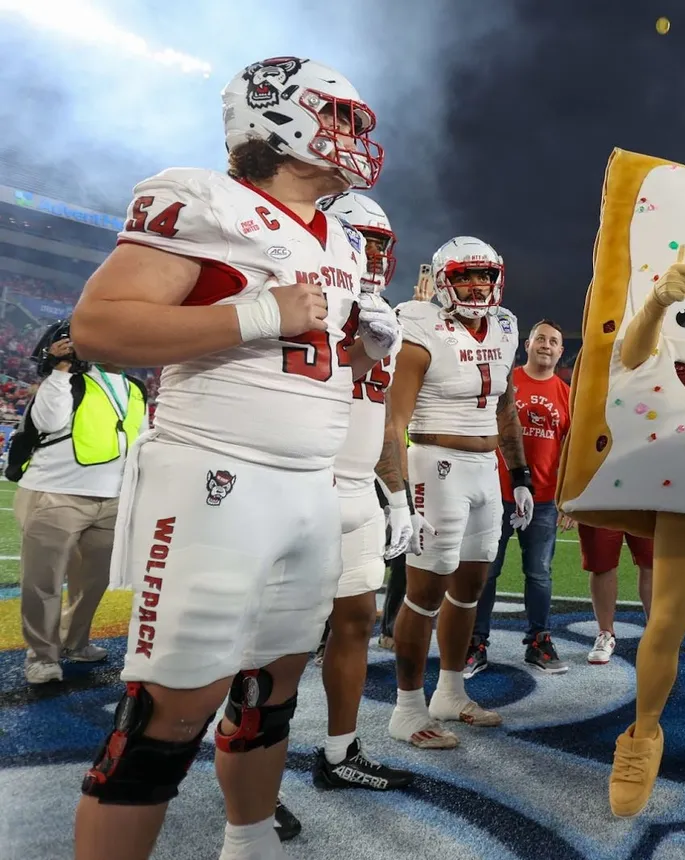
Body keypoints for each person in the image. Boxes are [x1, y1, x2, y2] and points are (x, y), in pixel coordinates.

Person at [69, 56, 398, 860]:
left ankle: (248, 843)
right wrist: (253, 313)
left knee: (270, 694)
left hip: (309, 490)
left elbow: (298, 360)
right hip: (216, 478)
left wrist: (359, 355)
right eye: (343, 118)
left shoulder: (344, 242)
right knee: (167, 715)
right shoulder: (204, 199)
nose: (356, 137)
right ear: (278, 116)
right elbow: (100, 327)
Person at [385, 236, 530, 750]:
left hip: (485, 469)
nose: (477, 285)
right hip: (435, 465)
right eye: (467, 275)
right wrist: (398, 495)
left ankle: (450, 692)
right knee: (423, 593)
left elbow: (505, 404)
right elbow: (395, 418)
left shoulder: (508, 324)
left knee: (471, 586)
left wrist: (521, 473)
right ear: (445, 279)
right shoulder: (420, 323)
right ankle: (406, 709)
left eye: (485, 276)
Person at [308, 190, 418, 791]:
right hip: (301, 481)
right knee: (271, 641)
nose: (370, 254)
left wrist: (396, 497)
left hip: (358, 488)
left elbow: (381, 422)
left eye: (378, 244)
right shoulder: (305, 295)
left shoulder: (386, 313)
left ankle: (338, 750)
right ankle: (250, 778)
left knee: (357, 619)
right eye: (358, 241)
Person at [13, 321, 148, 684]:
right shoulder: (70, 379)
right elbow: (47, 421)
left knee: (93, 582)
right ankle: (41, 656)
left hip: (112, 498)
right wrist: (60, 370)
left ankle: (75, 642)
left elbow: (139, 441)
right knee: (44, 581)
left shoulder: (135, 389)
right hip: (56, 493)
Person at [467, 319, 571, 677]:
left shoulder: (566, 395)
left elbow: (570, 452)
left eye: (553, 341)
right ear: (527, 344)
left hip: (543, 499)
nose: (546, 345)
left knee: (539, 573)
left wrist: (568, 497)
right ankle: (475, 643)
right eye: (540, 338)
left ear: (560, 351)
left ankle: (539, 642)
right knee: (486, 571)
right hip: (496, 493)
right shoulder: (503, 381)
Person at [576, 524, 654, 664]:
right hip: (602, 503)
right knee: (601, 563)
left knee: (653, 561)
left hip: (645, 503)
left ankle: (657, 632)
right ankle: (606, 634)